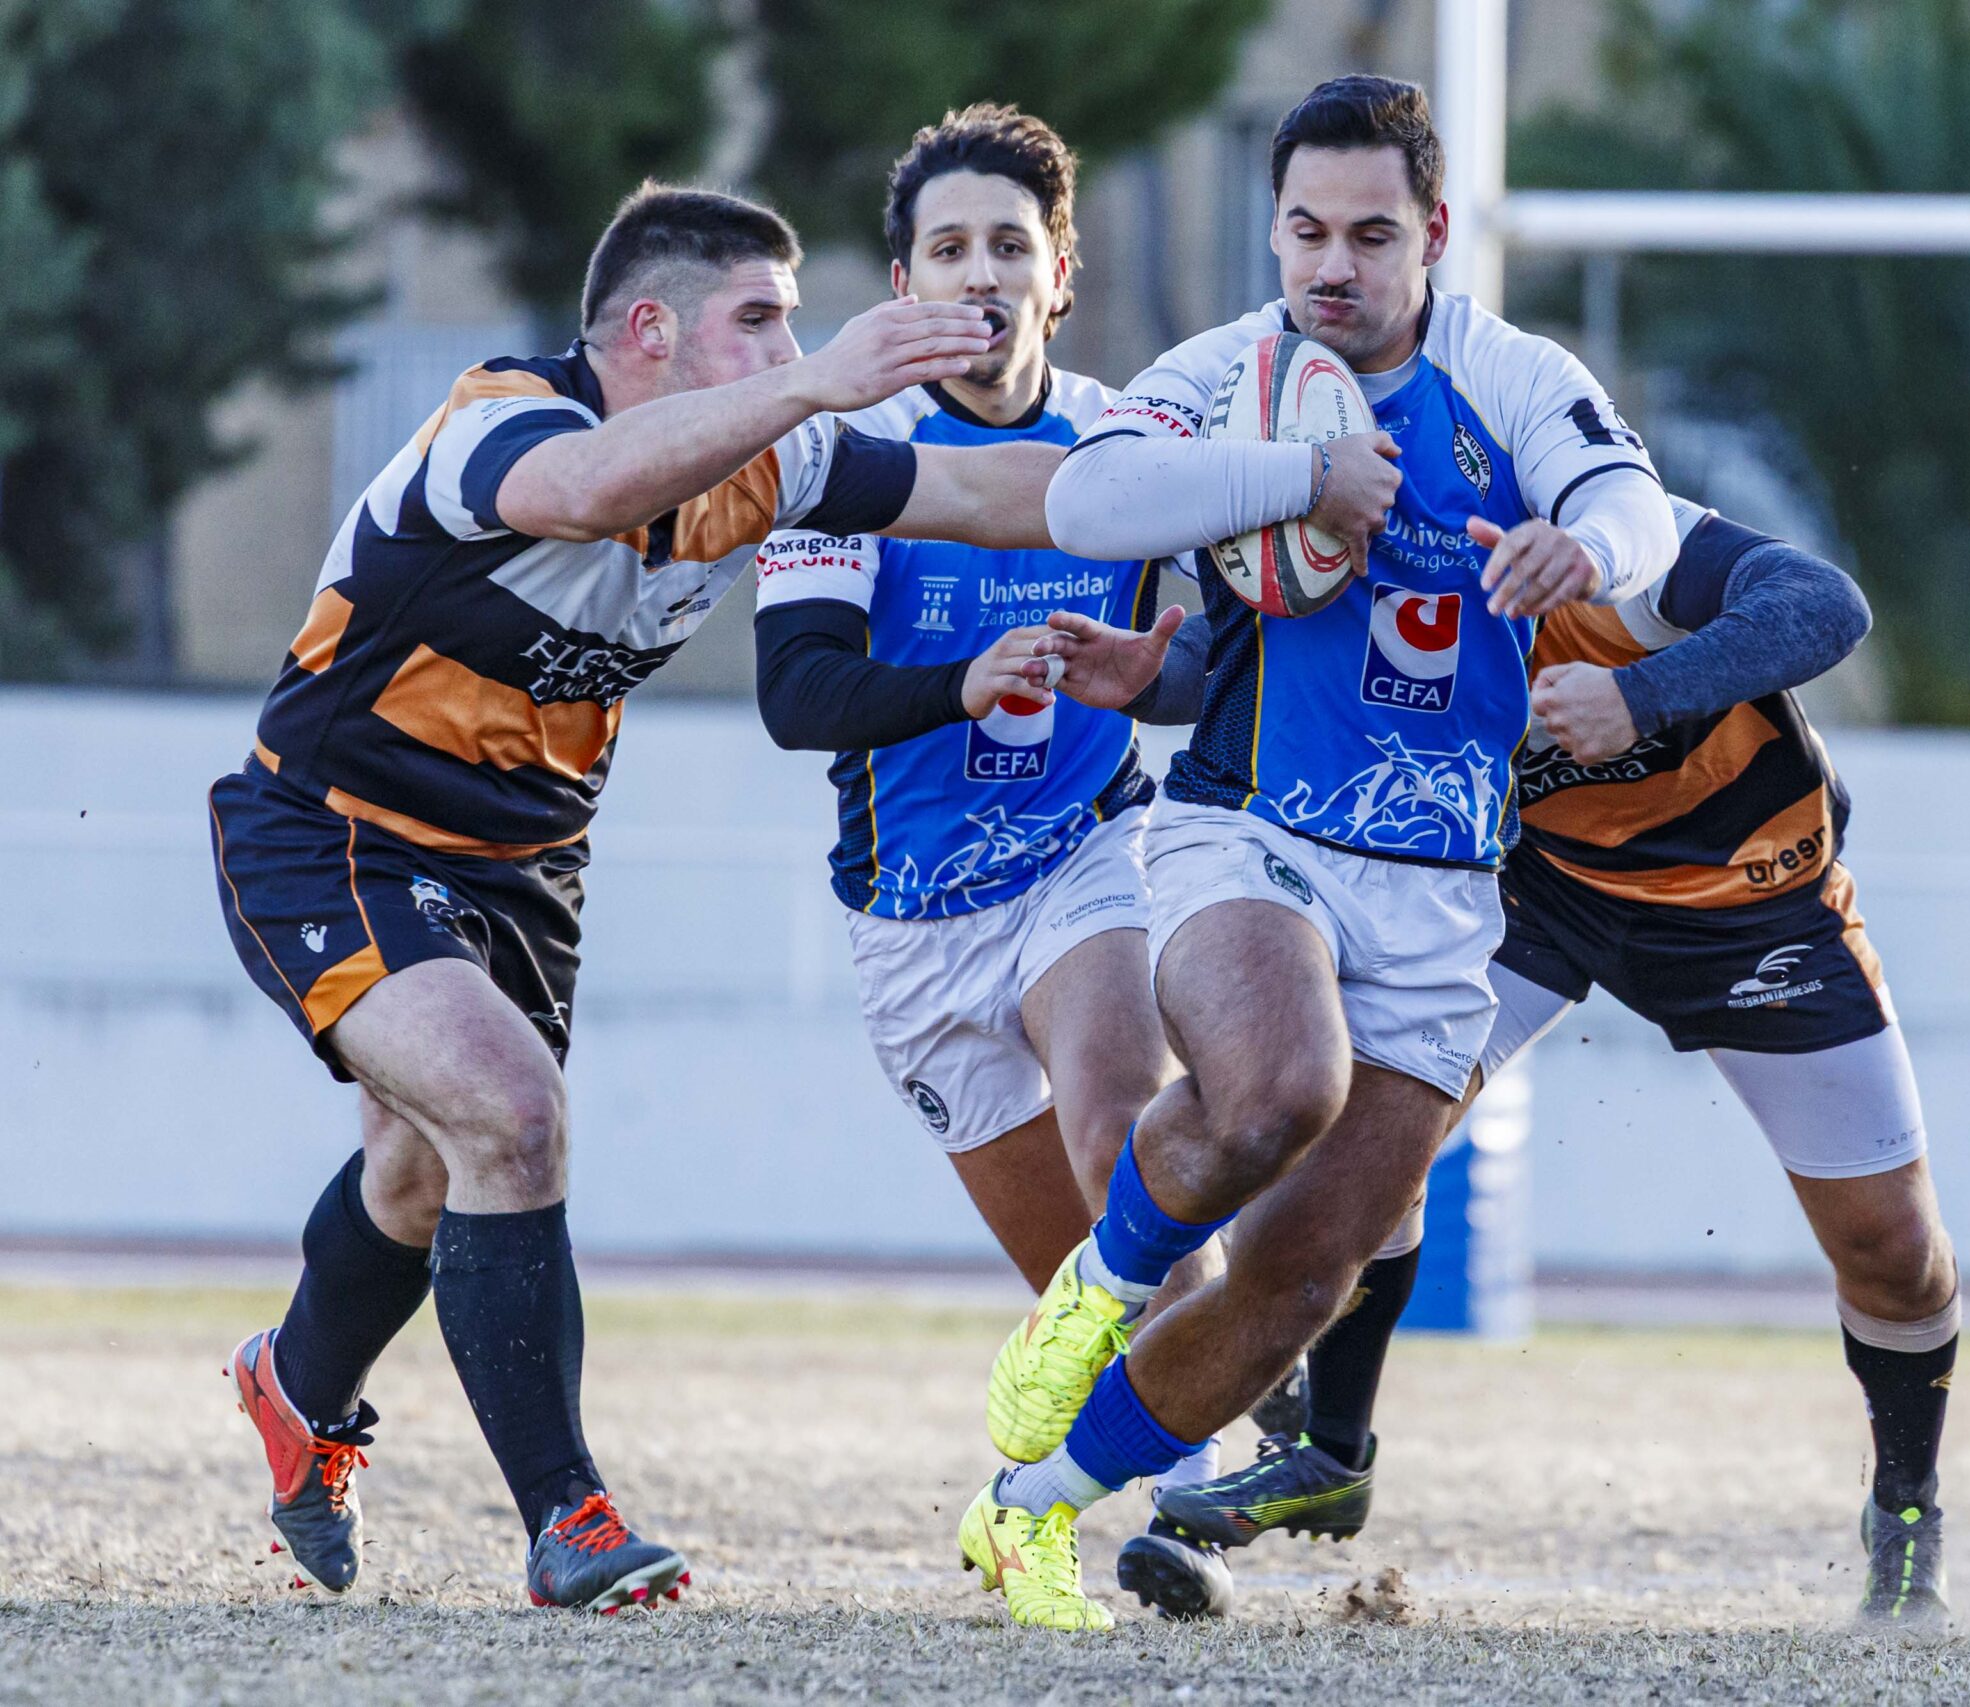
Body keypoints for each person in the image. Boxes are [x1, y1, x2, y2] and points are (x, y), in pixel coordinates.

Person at [213, 182, 1059, 1613]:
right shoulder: (498, 422)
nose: (789, 342)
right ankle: (571, 1518)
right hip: (336, 830)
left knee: (426, 1165)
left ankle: (296, 1387)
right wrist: (822, 376)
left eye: (793, 320)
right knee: (512, 1115)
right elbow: (593, 490)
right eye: (759, 320)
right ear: (649, 329)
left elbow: (996, 494)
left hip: (528, 865)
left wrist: (1252, 499)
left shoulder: (770, 464)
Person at [948, 76, 1679, 1631]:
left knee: (1302, 1275)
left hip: (1442, 887)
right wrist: (1302, 477)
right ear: (1273, 231)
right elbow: (1092, 494)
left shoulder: (1506, 372)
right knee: (1281, 1084)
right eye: (1303, 230)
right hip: (1247, 828)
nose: (1331, 265)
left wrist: (1588, 546)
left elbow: (1640, 508)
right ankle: (1095, 1294)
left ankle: (1031, 1510)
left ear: (1430, 235)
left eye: (1368, 233)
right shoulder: (1232, 373)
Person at [1147, 496, 1965, 1626]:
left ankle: (1906, 1506)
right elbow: (1238, 668)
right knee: (1358, 1146)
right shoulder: (1383, 555)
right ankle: (1330, 1453)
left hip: (1753, 907)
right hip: (1536, 895)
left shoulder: (1616, 541)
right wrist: (1134, 673)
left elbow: (1826, 605)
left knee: (1894, 1251)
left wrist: (1635, 695)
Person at [749, 106, 1233, 1614]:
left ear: (1061, 272)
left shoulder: (1134, 444)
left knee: (1122, 1115)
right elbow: (795, 694)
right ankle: (1067, 1491)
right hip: (910, 923)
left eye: (1008, 246)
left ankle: (1197, 1499)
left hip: (1088, 858)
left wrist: (1155, 673)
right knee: (1076, 1281)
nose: (980, 273)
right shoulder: (843, 454)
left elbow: (1207, 664)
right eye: (947, 248)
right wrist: (956, 684)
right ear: (902, 282)